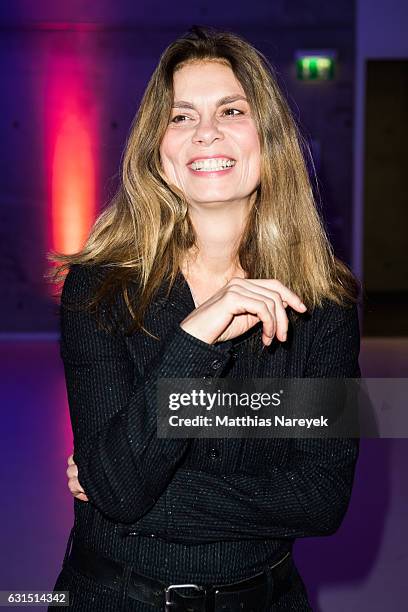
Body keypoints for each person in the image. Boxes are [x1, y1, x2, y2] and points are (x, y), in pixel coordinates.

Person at [48, 25, 361, 612]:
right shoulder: (100, 286)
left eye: (232, 110)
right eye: (181, 116)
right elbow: (114, 482)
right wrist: (196, 337)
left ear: (269, 138)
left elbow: (320, 500)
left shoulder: (325, 303)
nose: (206, 132)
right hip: (111, 595)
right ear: (156, 150)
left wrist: (130, 493)